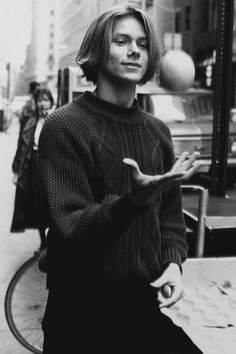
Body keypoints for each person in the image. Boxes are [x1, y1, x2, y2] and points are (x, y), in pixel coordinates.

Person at [38, 5, 203, 354]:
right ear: (97, 52)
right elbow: (72, 228)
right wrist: (133, 200)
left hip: (141, 305)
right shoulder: (63, 126)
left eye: (143, 44)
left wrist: (173, 264)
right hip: (80, 313)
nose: (134, 51)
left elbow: (170, 217)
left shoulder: (158, 132)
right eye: (122, 41)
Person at [11, 88, 54, 254]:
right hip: (33, 163)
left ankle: (53, 243)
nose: (43, 103)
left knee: (50, 204)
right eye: (40, 100)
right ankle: (43, 243)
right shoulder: (30, 120)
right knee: (37, 205)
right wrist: (17, 170)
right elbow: (21, 146)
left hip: (50, 165)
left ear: (51, 101)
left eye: (46, 100)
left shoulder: (58, 117)